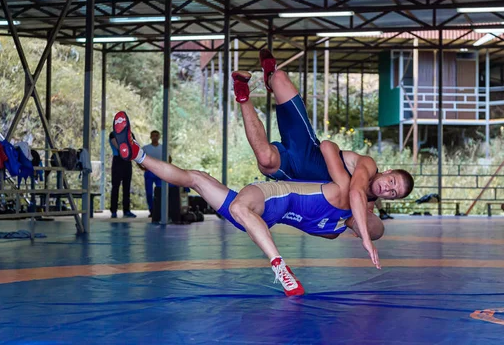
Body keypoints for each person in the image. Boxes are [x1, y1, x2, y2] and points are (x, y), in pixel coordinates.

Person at [113, 111, 385, 296]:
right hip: (267, 199)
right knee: (206, 186)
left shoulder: (337, 218)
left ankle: (279, 266)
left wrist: (360, 189)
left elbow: (328, 148)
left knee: (213, 191)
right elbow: (334, 161)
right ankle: (138, 155)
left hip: (262, 216)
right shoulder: (335, 220)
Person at [232, 49, 413, 265]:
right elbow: (330, 152)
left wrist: (358, 226)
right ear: (388, 171)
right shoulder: (367, 166)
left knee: (265, 158)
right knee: (280, 78)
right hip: (306, 148)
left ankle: (243, 95)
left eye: (393, 193)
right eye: (391, 182)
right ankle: (269, 77)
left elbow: (330, 229)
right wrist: (366, 239)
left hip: (293, 173)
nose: (387, 189)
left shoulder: (364, 208)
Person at [109, 131, 136, 218]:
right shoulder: (113, 134)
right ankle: (113, 210)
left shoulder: (130, 134)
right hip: (118, 160)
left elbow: (133, 146)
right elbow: (118, 147)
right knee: (115, 186)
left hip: (127, 160)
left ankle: (126, 210)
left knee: (127, 187)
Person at [141, 130, 163, 217]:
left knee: (160, 191)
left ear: (159, 137)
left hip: (160, 172)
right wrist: (142, 167)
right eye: (153, 136)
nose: (155, 137)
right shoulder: (146, 148)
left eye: (156, 136)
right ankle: (152, 210)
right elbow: (138, 158)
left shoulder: (162, 147)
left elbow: (169, 158)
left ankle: (160, 209)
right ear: (150, 137)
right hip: (149, 172)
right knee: (149, 192)